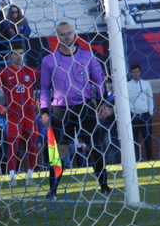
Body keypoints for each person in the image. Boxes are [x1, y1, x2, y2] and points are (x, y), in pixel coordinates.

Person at [39, 21, 109, 199]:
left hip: (84, 107)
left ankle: (104, 186)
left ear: (74, 34)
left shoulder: (87, 56)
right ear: (57, 37)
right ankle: (53, 190)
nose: (67, 36)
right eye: (63, 34)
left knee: (95, 147)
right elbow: (44, 88)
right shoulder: (49, 60)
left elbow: (99, 80)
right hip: (60, 110)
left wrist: (102, 101)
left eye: (70, 33)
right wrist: (44, 111)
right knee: (59, 151)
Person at [0, 43, 39, 187]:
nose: (18, 56)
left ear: (24, 54)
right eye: (15, 53)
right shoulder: (3, 73)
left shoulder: (32, 71)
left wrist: (39, 101)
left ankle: (29, 177)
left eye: (21, 53)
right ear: (10, 55)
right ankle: (12, 177)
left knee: (32, 144)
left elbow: (45, 87)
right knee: (12, 146)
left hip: (29, 114)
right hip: (13, 115)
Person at [128, 65, 155, 162]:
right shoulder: (127, 85)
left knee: (147, 138)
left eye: (137, 71)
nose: (135, 73)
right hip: (134, 115)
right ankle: (135, 160)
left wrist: (150, 112)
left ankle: (150, 158)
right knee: (134, 140)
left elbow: (150, 98)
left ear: (140, 72)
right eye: (134, 72)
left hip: (145, 114)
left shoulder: (146, 84)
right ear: (131, 73)